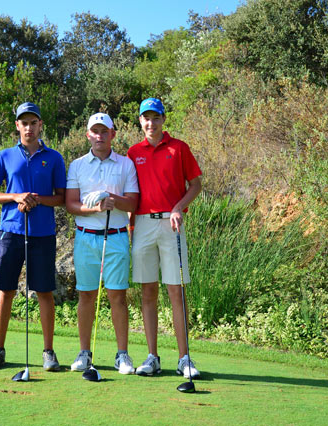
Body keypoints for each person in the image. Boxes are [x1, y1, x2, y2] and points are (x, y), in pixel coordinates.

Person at [0, 102, 66, 372]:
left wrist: (37, 200)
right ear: (17, 125)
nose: (29, 127)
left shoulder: (53, 157)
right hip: (11, 231)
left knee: (43, 292)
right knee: (6, 290)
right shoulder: (5, 156)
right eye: (24, 123)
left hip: (42, 233)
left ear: (40, 125)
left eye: (33, 122)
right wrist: (16, 196)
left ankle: (49, 352)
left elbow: (61, 198)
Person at [127, 98, 202, 379]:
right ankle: (152, 357)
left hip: (172, 225)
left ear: (163, 119)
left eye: (155, 117)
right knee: (147, 292)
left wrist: (178, 207)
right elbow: (131, 192)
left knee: (176, 292)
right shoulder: (133, 152)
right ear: (140, 121)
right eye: (145, 118)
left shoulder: (179, 148)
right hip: (143, 225)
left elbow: (196, 184)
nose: (151, 123)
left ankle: (184, 358)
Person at [65, 113, 139, 374]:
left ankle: (122, 355)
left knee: (117, 296)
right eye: (95, 131)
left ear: (113, 134)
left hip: (117, 236)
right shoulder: (77, 165)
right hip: (86, 237)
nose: (99, 136)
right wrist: (93, 208)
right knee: (86, 295)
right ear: (88, 135)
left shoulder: (126, 165)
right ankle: (84, 353)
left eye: (104, 131)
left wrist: (112, 200)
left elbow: (133, 203)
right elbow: (70, 204)